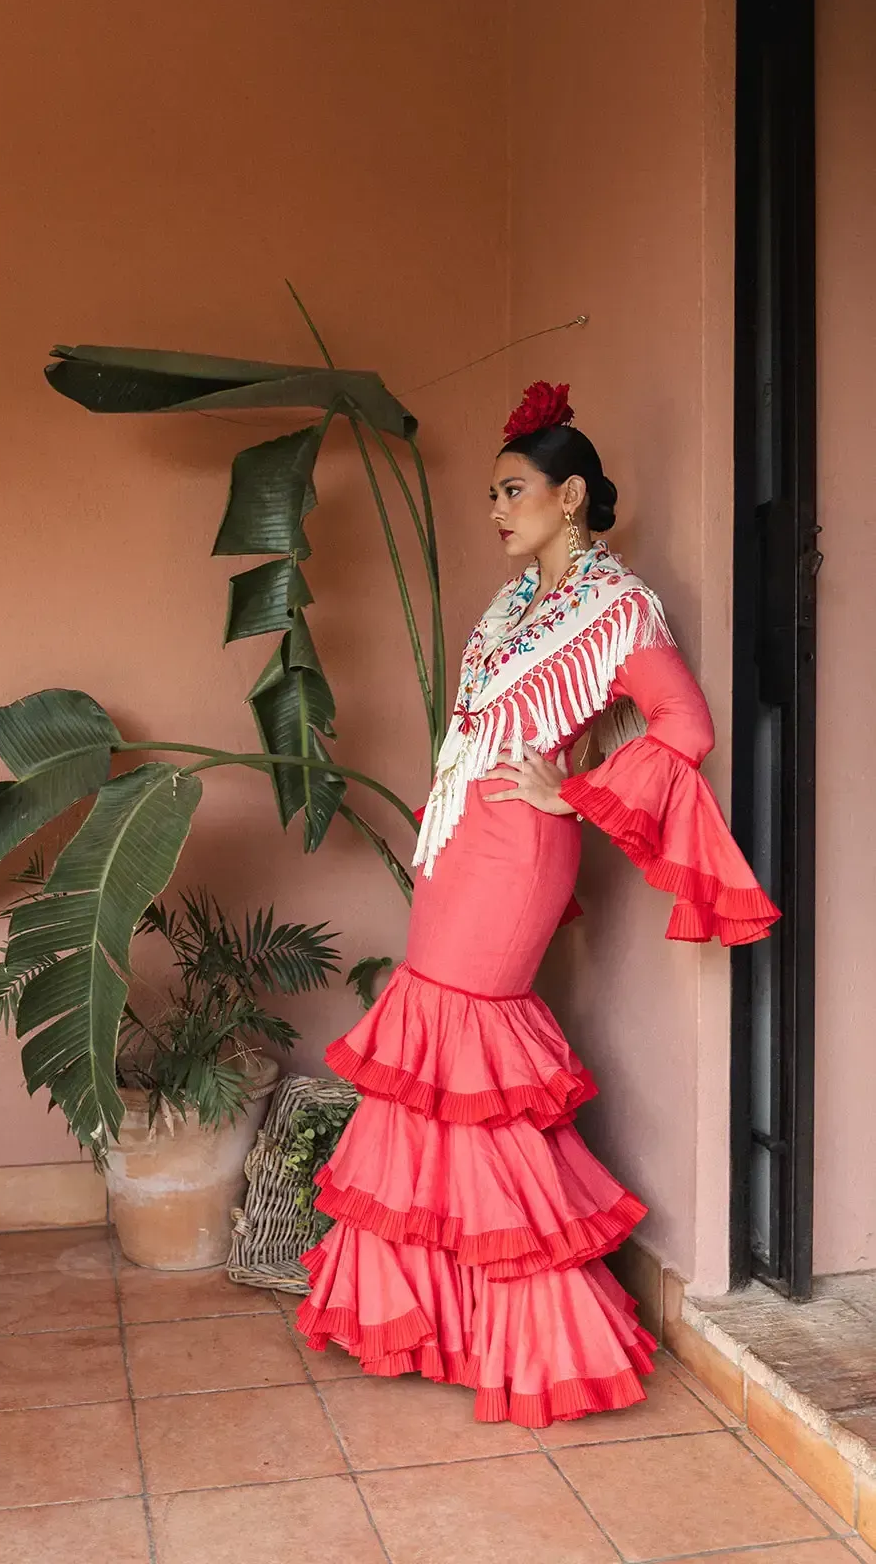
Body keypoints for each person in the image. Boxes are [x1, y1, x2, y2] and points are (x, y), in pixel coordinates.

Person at [294, 381, 780, 1426]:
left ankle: (535, 1331)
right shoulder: (512, 602)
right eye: (489, 493)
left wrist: (572, 792)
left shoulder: (621, 604)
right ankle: (448, 1319)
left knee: (476, 1065)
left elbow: (682, 726)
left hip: (521, 848)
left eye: (512, 491)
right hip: (458, 844)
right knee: (433, 1066)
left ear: (570, 497)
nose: (494, 510)